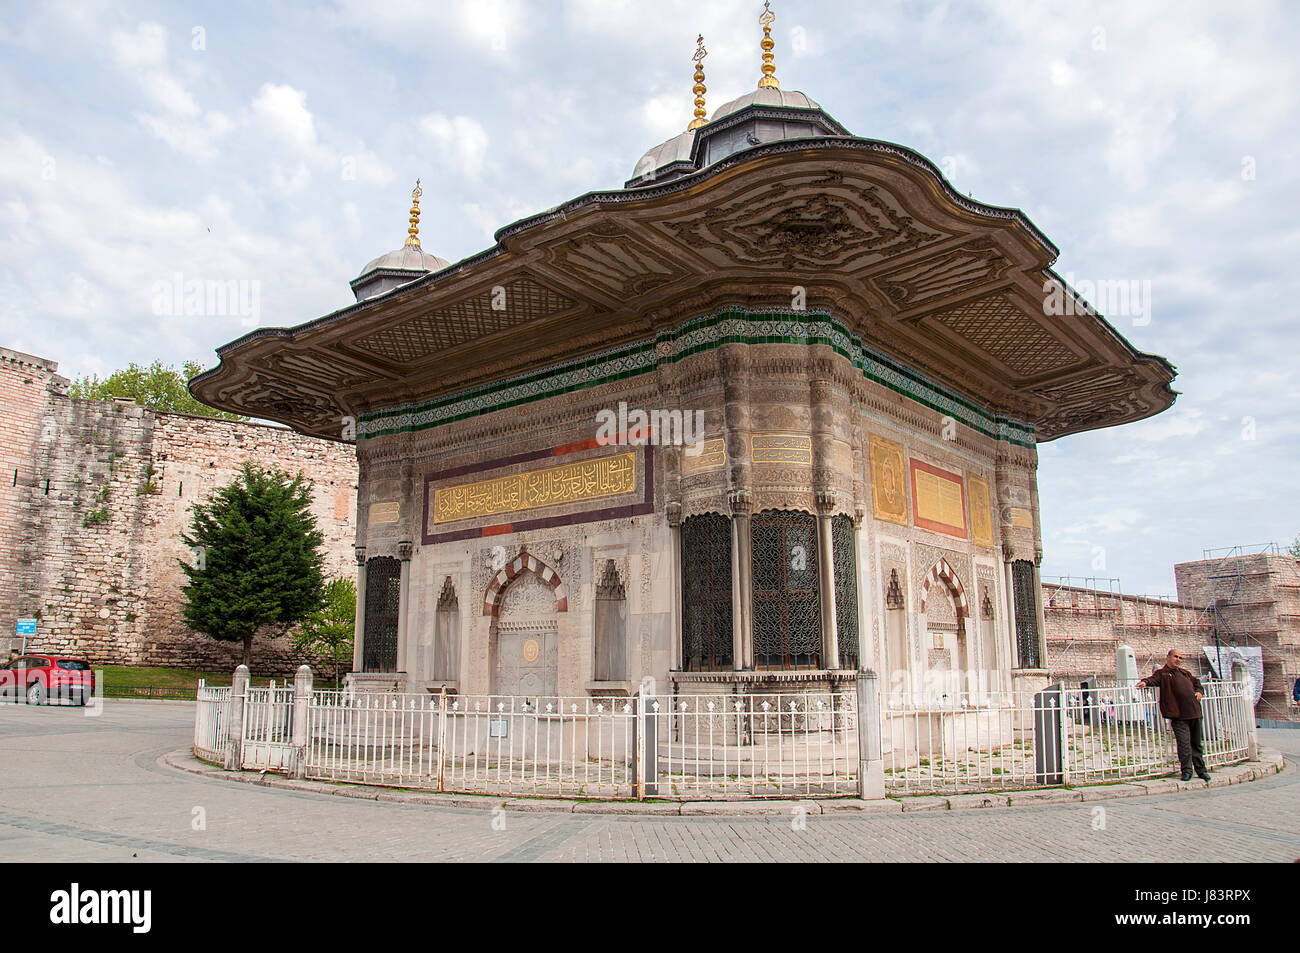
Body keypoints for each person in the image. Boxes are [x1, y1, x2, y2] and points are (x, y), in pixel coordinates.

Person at [1136, 649, 1210, 782]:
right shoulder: (1163, 674)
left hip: (1194, 712)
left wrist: (1199, 692)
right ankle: (1187, 771)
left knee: (1196, 744)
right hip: (1179, 715)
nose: (1178, 660)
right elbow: (1153, 679)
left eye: (1181, 658)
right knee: (1184, 745)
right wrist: (1145, 682)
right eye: (1176, 657)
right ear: (1168, 657)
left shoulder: (1185, 673)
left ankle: (1201, 770)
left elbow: (1198, 684)